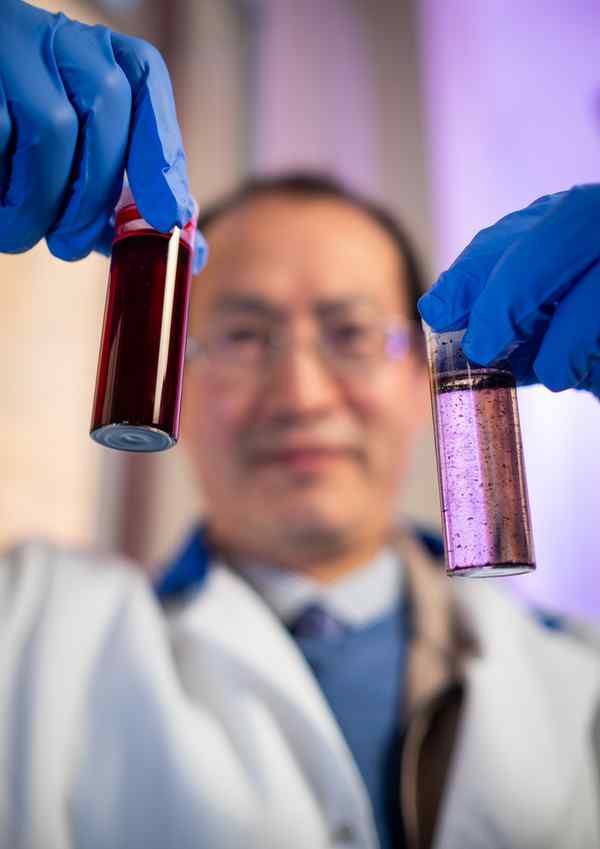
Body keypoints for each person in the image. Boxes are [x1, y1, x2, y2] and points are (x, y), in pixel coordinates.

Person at [2, 4, 600, 849]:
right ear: (177, 370)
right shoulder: (28, 636)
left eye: (352, 333)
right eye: (244, 336)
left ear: (417, 378)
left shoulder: (583, 679)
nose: (301, 392)